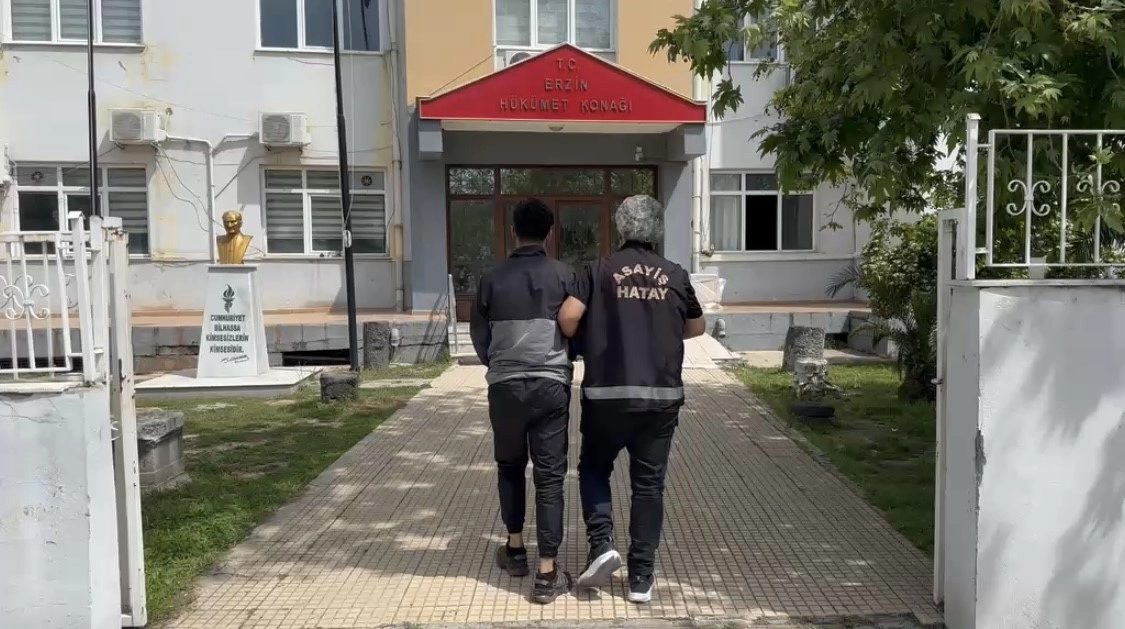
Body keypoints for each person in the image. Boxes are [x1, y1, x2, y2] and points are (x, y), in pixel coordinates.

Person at [558, 194, 706, 604]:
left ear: (620, 226)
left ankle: (602, 544)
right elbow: (697, 327)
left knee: (593, 468)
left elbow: (568, 318)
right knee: (649, 485)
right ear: (657, 229)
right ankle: (641, 576)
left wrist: (590, 333)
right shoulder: (675, 274)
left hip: (608, 394)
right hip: (661, 398)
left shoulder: (599, 269)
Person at [470, 197, 575, 604]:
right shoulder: (565, 275)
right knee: (549, 477)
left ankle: (515, 550)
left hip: (505, 388)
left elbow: (480, 336)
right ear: (549, 233)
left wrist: (500, 364)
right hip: (550, 387)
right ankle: (547, 573)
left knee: (510, 467)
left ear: (513, 231)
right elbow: (577, 329)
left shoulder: (490, 278)